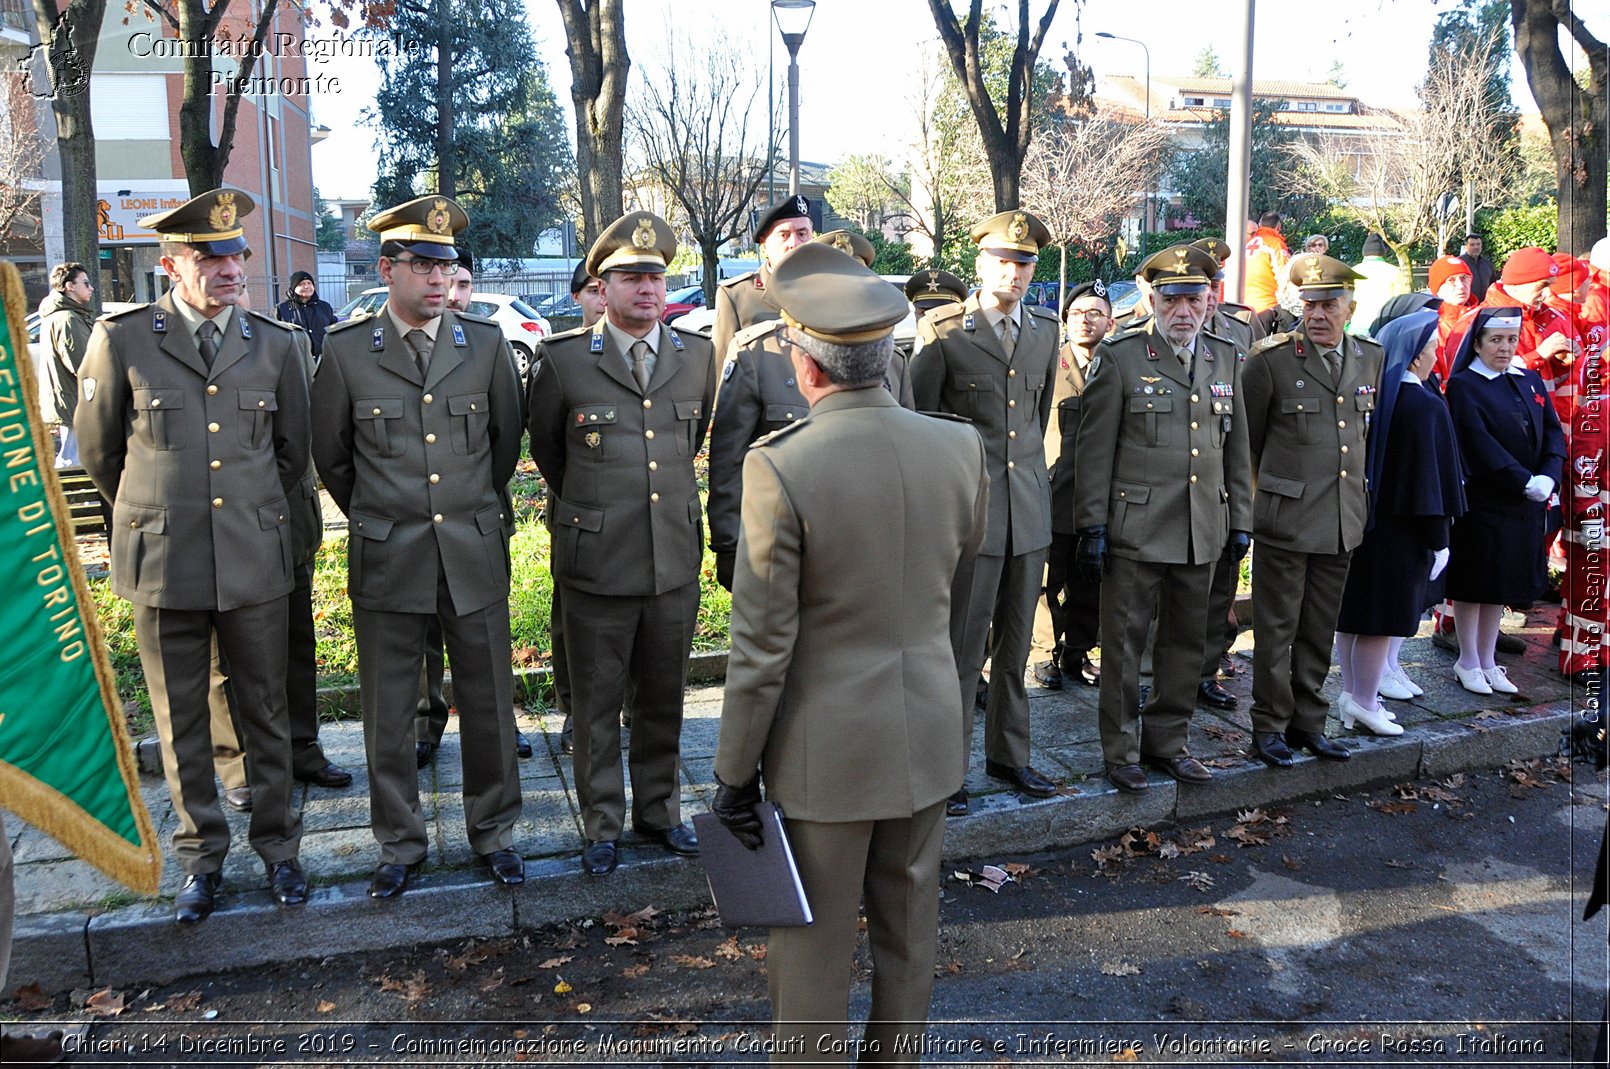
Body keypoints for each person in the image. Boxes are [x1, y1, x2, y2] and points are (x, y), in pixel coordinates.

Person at [710, 240, 988, 1065]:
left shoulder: (782, 467)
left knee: (811, 956)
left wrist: (733, 777)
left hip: (825, 754)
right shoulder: (958, 447)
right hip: (929, 732)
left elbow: (762, 648)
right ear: (884, 358)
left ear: (806, 366)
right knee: (910, 937)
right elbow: (956, 586)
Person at [76, 187, 311, 922]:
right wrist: (157, 510)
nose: (229, 266)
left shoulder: (277, 343)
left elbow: (291, 452)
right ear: (172, 264)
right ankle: (200, 857)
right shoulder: (122, 339)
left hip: (253, 557)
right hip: (163, 562)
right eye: (210, 255)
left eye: (236, 253)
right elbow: (100, 453)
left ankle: (279, 848)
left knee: (265, 712)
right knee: (180, 720)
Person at [312, 195, 526, 898]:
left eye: (448, 265)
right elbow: (333, 458)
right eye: (424, 265)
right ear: (388, 268)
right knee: (390, 709)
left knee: (489, 701)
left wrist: (459, 515)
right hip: (389, 554)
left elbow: (503, 449)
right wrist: (386, 516)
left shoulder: (486, 346)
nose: (440, 279)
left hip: (471, 549)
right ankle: (399, 842)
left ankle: (493, 831)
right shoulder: (346, 353)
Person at [527, 211, 715, 877]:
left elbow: (687, 446)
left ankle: (657, 812)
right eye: (631, 277)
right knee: (598, 700)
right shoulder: (564, 361)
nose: (647, 289)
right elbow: (552, 453)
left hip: (671, 559)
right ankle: (603, 821)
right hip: (597, 561)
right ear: (601, 289)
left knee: (664, 696)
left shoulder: (698, 356)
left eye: (656, 277)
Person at [1073, 245, 1253, 793]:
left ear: (1208, 302)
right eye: (1171, 299)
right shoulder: (1122, 356)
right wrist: (1092, 525)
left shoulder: (1225, 356)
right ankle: (1122, 749)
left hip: (1202, 525)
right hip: (1135, 528)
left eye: (1193, 299)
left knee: (1186, 642)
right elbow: (1093, 449)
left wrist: (1240, 517)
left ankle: (1168, 743)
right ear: (1151, 300)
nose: (1183, 310)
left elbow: (1236, 446)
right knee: (1124, 645)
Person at [911, 209, 1062, 815]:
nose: (1015, 272)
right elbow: (921, 428)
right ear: (980, 262)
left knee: (1018, 645)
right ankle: (946, 769)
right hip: (967, 519)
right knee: (961, 649)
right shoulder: (944, 331)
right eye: (1004, 260)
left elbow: (1035, 419)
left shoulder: (1046, 331)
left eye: (1025, 262)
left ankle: (1010, 755)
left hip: (1027, 512)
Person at [1241, 254, 1384, 769]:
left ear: (1350, 307)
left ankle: (1309, 723)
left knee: (1319, 628)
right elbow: (1247, 447)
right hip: (1285, 518)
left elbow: (1362, 439)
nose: (1317, 315)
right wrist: (1261, 503)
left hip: (1343, 518)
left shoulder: (1371, 357)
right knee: (1277, 629)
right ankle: (1269, 726)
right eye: (1309, 304)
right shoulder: (1271, 360)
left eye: (1328, 305)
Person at [206, 324, 353, 807]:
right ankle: (237, 764)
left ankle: (302, 747)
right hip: (218, 526)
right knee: (221, 653)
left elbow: (302, 436)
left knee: (295, 638)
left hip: (285, 518)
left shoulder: (282, 342)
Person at [415, 246, 533, 768]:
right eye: (447, 281)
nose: (454, 294)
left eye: (463, 284)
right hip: (409, 525)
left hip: (479, 513)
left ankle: (497, 724)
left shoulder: (487, 346)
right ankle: (425, 720)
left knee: (484, 630)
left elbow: (509, 437)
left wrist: (478, 495)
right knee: (420, 630)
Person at [1334, 310, 1465, 728]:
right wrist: (1439, 538)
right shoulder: (1424, 404)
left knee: (1355, 615)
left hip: (1367, 526)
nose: (1435, 356)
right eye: (1430, 349)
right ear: (1414, 357)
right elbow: (1430, 483)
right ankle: (1366, 702)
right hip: (1404, 534)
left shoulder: (1381, 399)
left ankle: (1353, 695)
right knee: (1380, 619)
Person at [1444, 307, 1567, 694]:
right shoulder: (1465, 385)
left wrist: (1549, 473)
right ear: (1478, 343)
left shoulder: (1527, 378)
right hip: (1486, 499)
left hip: (1525, 500)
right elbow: (1478, 442)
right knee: (1475, 580)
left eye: (1511, 339)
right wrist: (1522, 479)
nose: (1505, 347)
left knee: (1500, 583)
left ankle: (1487, 659)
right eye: (1496, 340)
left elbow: (1551, 433)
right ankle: (1467, 659)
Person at [1032, 280, 1108, 692]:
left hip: (1100, 497)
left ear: (1110, 321)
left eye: (1095, 313)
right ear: (1065, 320)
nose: (1085, 320)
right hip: (1053, 491)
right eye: (1077, 313)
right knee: (1048, 579)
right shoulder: (1050, 362)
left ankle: (1078, 651)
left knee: (1090, 582)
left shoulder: (1118, 365)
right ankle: (1044, 652)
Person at [550, 259, 608, 759]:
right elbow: (543, 444)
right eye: (591, 289)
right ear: (577, 298)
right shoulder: (560, 357)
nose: (601, 298)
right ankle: (575, 708)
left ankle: (630, 702)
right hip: (575, 505)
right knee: (572, 615)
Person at [1451, 247, 1580, 425]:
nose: (1547, 294)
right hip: (1498, 428)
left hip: (1539, 427)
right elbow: (1471, 379)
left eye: (1550, 286)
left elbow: (1546, 383)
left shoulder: (1545, 317)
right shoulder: (1475, 322)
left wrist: (1560, 362)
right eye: (1542, 286)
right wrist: (1539, 355)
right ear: (1516, 284)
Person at [710, 195, 814, 365]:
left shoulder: (827, 289)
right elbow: (721, 368)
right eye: (784, 235)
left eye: (802, 233)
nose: (794, 243)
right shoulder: (737, 296)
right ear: (764, 244)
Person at [39, 262, 95, 468]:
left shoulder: (63, 315)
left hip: (69, 397)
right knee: (73, 460)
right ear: (70, 286)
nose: (91, 288)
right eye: (85, 283)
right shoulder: (67, 319)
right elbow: (83, 364)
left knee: (73, 456)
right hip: (73, 399)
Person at [1425, 254, 1474, 379]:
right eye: (1451, 280)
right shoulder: (1428, 325)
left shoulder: (1483, 316)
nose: (1461, 286)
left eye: (1464, 278)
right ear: (1437, 288)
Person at [1348, 233, 1405, 335]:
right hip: (1385, 326)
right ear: (1382, 253)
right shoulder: (1394, 271)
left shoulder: (1353, 271)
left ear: (1364, 253)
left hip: (1358, 326)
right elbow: (1401, 302)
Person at [275, 270, 337, 358]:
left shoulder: (325, 307)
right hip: (296, 360)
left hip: (323, 359)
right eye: (301, 284)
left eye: (309, 283)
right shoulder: (281, 309)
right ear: (293, 288)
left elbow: (334, 330)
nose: (306, 286)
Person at [1243, 211, 1291, 313]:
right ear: (1278, 227)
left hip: (1244, 305)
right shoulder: (1275, 244)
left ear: (1260, 224)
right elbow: (1284, 277)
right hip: (1267, 306)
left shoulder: (1245, 243)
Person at [1459, 233, 1496, 303]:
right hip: (1465, 307)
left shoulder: (1488, 265)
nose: (1476, 247)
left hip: (1484, 306)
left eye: (1478, 244)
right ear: (1466, 247)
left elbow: (1493, 286)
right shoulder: (1460, 263)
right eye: (1472, 245)